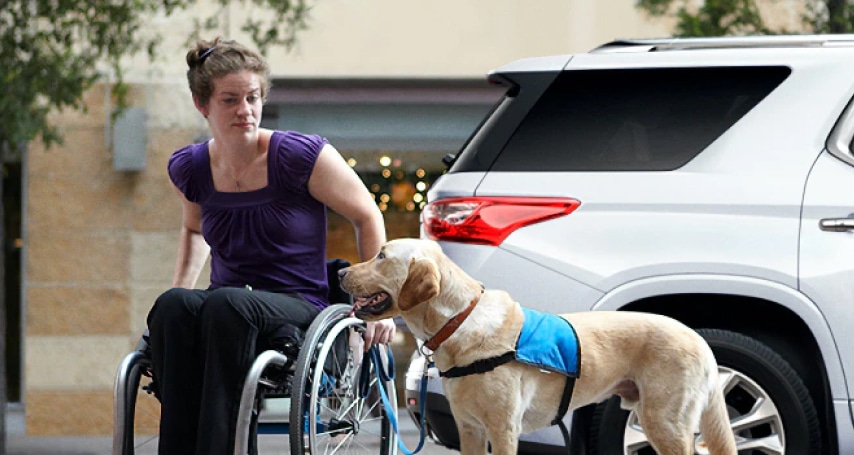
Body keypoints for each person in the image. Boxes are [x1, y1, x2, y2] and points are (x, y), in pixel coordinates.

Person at [146, 37, 397, 455]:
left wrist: (377, 302)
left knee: (227, 304)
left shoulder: (299, 157)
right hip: (225, 306)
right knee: (173, 305)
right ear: (202, 104)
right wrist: (181, 289)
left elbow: (366, 215)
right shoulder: (190, 167)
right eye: (230, 100)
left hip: (297, 305)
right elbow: (193, 231)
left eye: (253, 98)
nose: (245, 110)